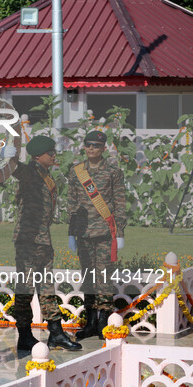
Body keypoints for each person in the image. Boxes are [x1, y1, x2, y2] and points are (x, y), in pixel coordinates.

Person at [0, 135, 82, 352]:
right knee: (25, 290)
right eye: (50, 152)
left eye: (54, 151)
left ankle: (56, 333)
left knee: (47, 288)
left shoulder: (46, 175)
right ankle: (25, 336)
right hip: (28, 241)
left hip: (42, 240)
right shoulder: (30, 172)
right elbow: (17, 170)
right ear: (38, 156)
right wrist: (9, 158)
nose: (54, 155)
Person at [68, 130, 126, 340]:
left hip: (104, 231)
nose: (91, 148)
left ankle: (104, 320)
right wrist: (71, 233)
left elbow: (119, 203)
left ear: (103, 148)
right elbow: (72, 203)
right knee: (88, 277)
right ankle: (90, 320)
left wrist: (119, 232)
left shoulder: (113, 172)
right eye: (88, 144)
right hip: (83, 233)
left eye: (96, 145)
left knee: (104, 277)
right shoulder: (76, 172)